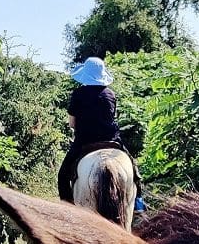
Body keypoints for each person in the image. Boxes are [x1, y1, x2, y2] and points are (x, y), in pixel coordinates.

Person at [57, 57, 144, 209]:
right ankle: (139, 204)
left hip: (84, 141)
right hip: (111, 140)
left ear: (85, 75)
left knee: (63, 175)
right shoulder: (110, 94)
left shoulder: (78, 94)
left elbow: (72, 123)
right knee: (135, 172)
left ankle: (68, 209)